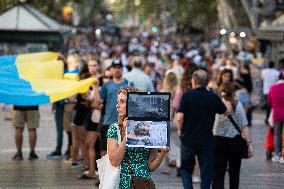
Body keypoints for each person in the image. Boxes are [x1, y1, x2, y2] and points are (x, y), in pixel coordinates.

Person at [106, 86, 170, 189]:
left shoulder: (148, 127)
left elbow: (151, 166)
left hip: (144, 183)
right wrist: (127, 135)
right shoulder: (115, 129)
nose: (117, 105)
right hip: (124, 183)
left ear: (133, 104)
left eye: (122, 101)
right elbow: (114, 161)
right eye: (117, 101)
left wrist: (162, 154)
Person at [175, 69, 227, 189]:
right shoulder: (212, 96)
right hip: (206, 140)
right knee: (206, 172)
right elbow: (225, 111)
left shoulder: (187, 96)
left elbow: (179, 117)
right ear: (207, 81)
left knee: (186, 170)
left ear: (193, 81)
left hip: (188, 139)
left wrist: (180, 131)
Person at [212, 83, 253, 189]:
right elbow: (244, 125)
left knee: (218, 172)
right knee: (235, 172)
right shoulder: (238, 105)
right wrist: (249, 143)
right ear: (233, 92)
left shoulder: (216, 104)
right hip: (234, 142)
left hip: (218, 141)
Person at [99, 59, 132, 157]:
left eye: (119, 68)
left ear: (122, 69)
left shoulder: (129, 84)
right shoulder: (106, 85)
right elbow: (99, 102)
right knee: (105, 152)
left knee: (123, 153)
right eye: (115, 68)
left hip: (124, 123)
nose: (117, 70)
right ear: (111, 70)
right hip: (108, 122)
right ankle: (104, 172)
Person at [268, 71, 284, 163]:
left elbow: (269, 102)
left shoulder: (273, 87)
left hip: (276, 114)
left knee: (277, 135)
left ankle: (277, 154)